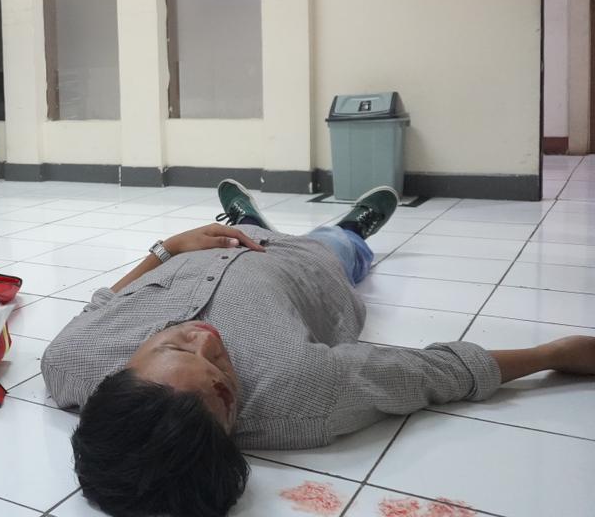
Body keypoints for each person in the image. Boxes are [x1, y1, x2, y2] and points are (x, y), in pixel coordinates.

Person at [42, 179, 595, 517]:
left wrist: (165, 251)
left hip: (198, 249)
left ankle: (246, 222)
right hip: (303, 265)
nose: (208, 340)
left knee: (244, 231)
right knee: (335, 245)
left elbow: (102, 302)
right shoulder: (301, 392)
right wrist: (554, 354)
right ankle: (354, 228)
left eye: (178, 346)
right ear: (229, 417)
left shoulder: (72, 360)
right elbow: (434, 372)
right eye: (222, 376)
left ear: (120, 372)